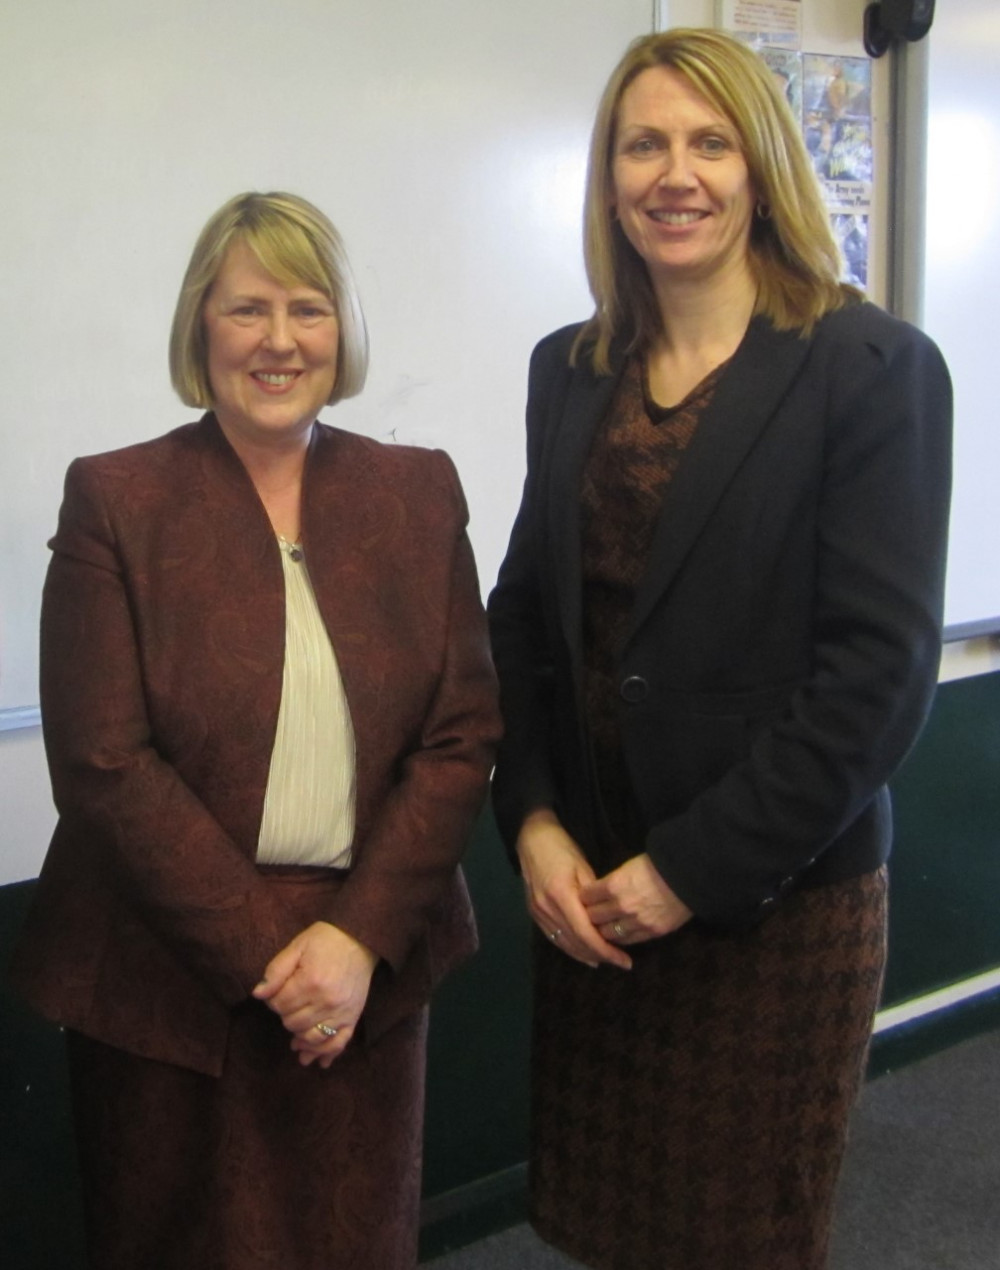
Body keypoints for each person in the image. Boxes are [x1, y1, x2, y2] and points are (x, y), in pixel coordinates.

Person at [488, 29, 950, 1270]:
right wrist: (531, 819)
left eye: (709, 141)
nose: (673, 174)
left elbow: (878, 676)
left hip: (769, 899)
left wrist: (684, 870)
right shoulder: (570, 367)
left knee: (737, 1234)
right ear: (608, 175)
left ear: (762, 167)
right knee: (608, 1222)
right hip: (591, 891)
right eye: (643, 143)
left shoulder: (868, 367)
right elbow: (528, 613)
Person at [10, 191, 500, 1270]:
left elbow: (461, 733)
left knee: (353, 1241)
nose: (279, 340)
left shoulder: (416, 494)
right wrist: (276, 959)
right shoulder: (118, 497)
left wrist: (353, 942)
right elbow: (101, 762)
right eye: (247, 310)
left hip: (368, 963)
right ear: (200, 327)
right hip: (164, 980)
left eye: (308, 308)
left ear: (343, 330)